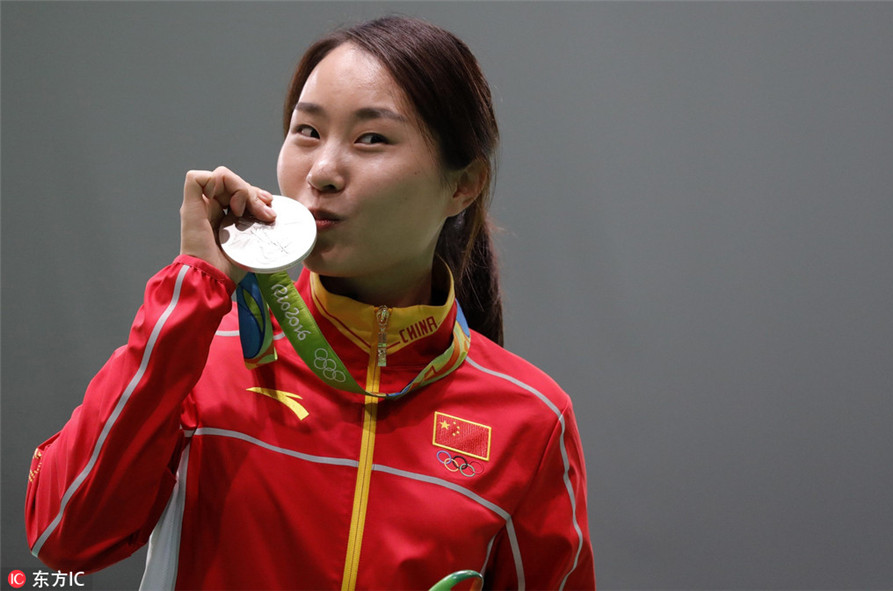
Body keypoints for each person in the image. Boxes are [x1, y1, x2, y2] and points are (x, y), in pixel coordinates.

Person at [25, 15, 595, 590]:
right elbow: (64, 537)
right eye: (307, 131)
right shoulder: (203, 353)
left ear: (463, 185)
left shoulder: (530, 419)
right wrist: (193, 288)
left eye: (372, 139)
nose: (321, 172)